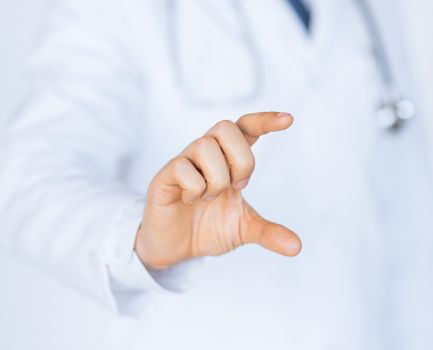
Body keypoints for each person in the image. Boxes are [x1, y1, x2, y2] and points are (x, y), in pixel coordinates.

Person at [1, 0, 433, 349]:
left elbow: (409, 221)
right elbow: (26, 177)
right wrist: (144, 238)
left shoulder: (373, 11)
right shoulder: (118, 9)